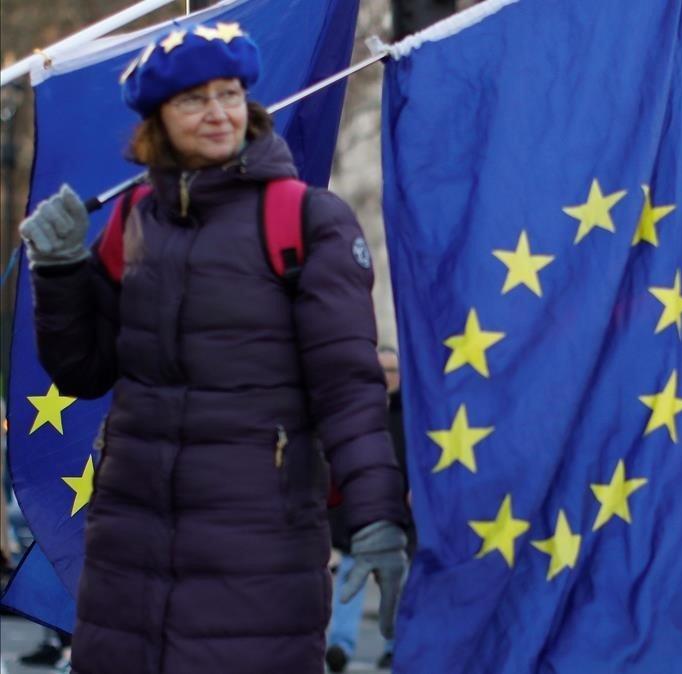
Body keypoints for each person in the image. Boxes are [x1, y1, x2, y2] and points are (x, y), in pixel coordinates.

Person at [18, 23, 408, 674]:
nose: (219, 112)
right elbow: (84, 370)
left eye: (229, 94)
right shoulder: (133, 218)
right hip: (129, 551)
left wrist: (376, 515)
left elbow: (348, 384)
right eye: (194, 100)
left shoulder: (310, 219)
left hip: (256, 544)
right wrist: (59, 271)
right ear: (157, 121)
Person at [325, 347, 415, 672]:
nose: (387, 376)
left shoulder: (413, 417)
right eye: (383, 370)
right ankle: (340, 646)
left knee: (398, 584)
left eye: (393, 370)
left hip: (401, 517)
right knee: (352, 580)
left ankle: (395, 647)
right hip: (359, 517)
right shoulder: (360, 412)